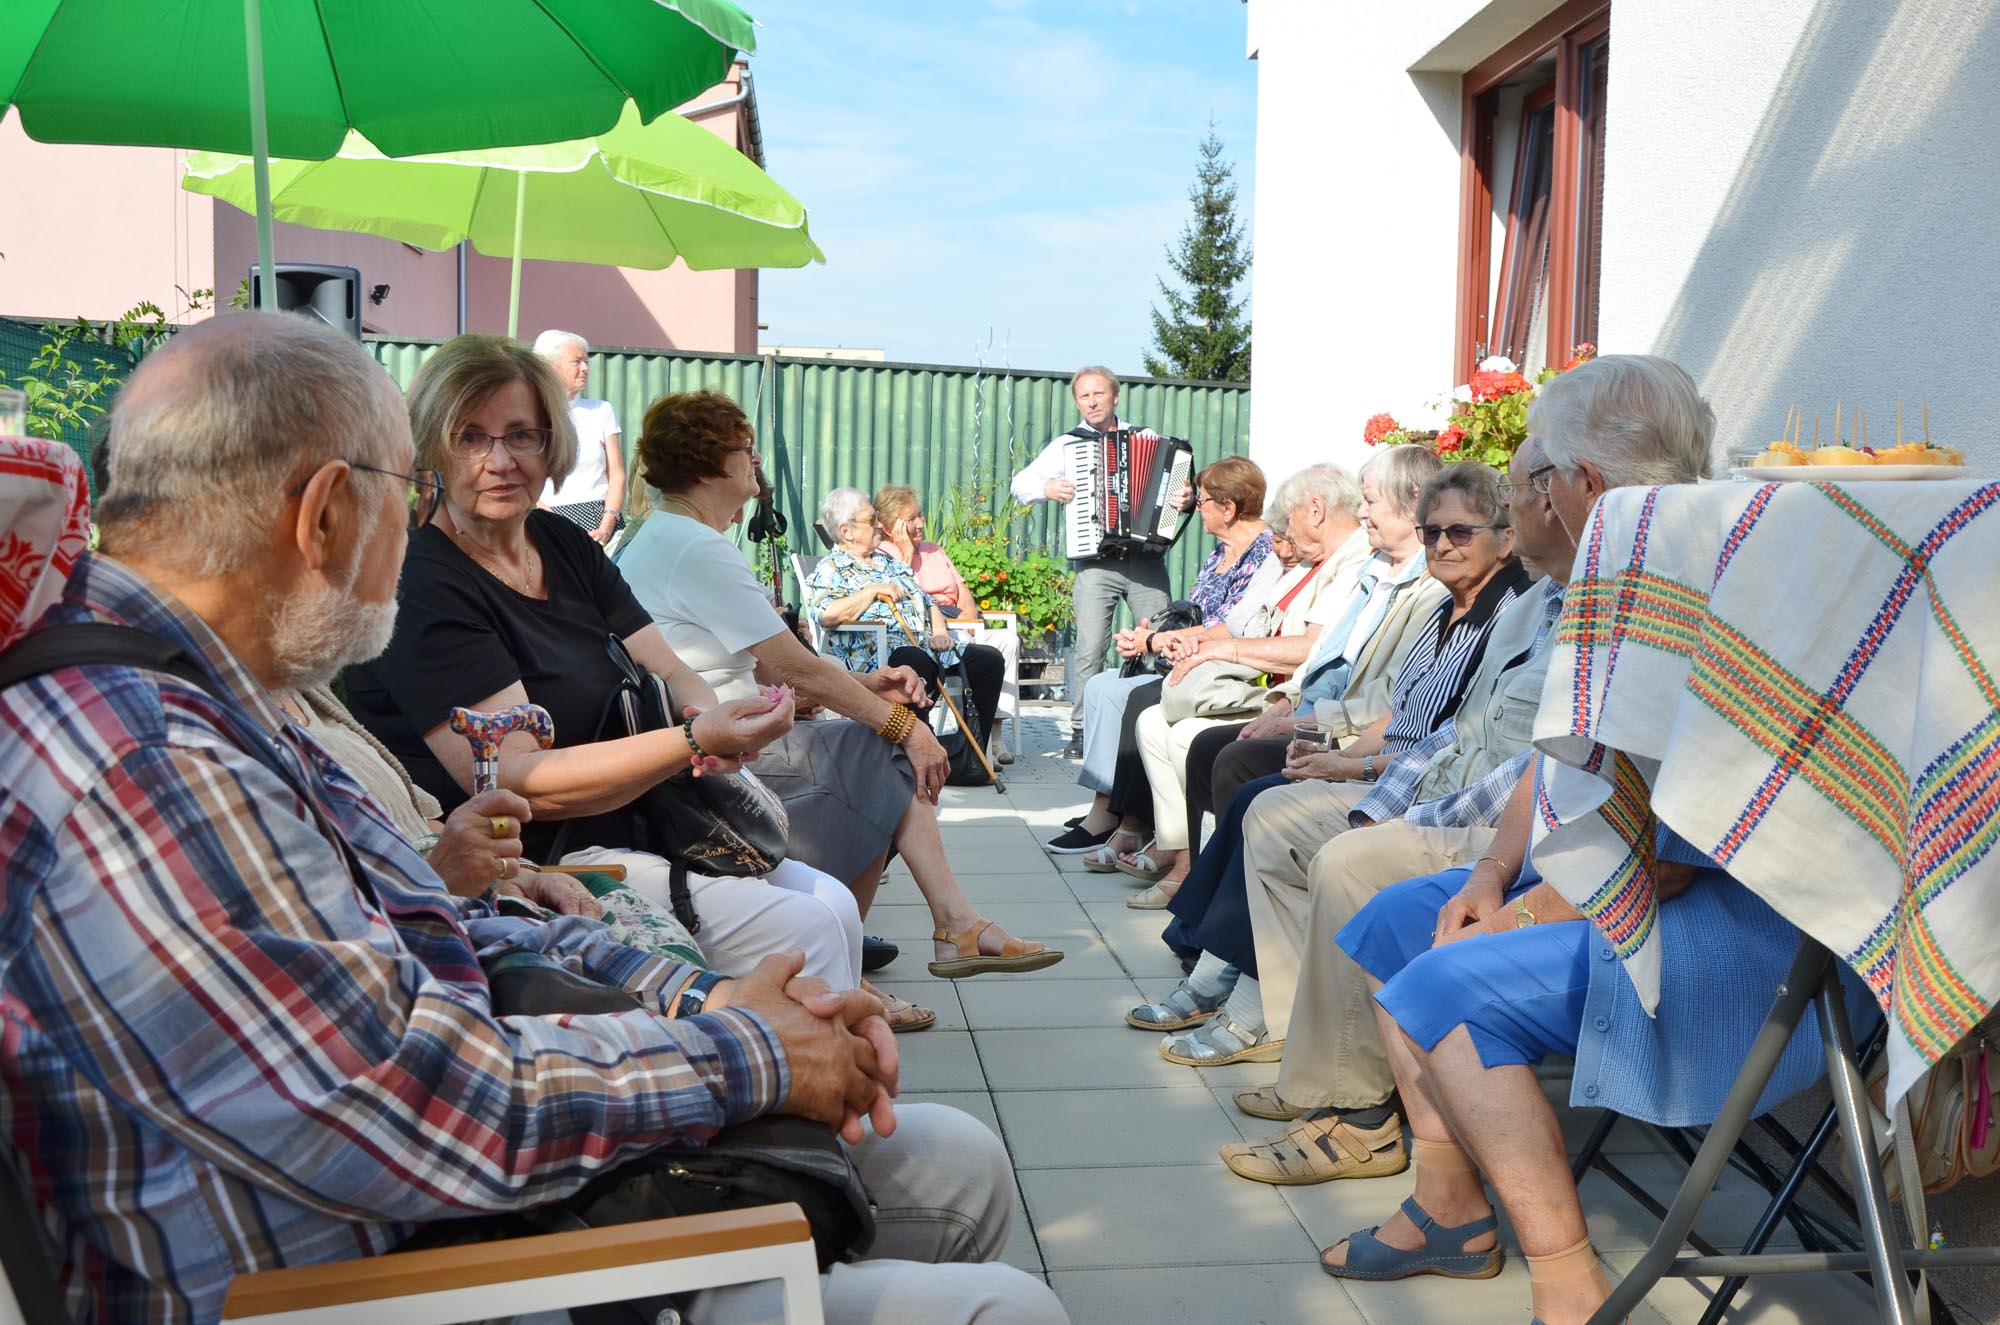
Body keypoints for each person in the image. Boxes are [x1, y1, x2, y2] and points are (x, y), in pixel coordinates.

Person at [0, 316, 1064, 1325]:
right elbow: (403, 1107)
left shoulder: (218, 694)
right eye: (410, 482)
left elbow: (443, 917)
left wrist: (705, 994)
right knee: (998, 1303)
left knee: (953, 1158)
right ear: (326, 510)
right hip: (394, 1275)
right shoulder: (150, 760)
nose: (419, 518)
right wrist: (750, 1052)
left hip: (445, 1204)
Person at [1317, 356, 1873, 1325]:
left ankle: (1567, 1286)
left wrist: (1521, 905)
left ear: (1581, 488)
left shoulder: (1702, 596)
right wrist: (1492, 871)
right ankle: (1449, 1206)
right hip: (1637, 890)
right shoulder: (1613, 586)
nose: (1525, 497)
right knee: (1393, 920)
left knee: (1442, 980)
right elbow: (1561, 759)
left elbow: (1677, 849)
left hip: (1741, 936)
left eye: (1534, 477)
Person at [344, 335, 864, 989]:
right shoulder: (422, 580)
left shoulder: (561, 542)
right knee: (806, 927)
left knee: (835, 905)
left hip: (646, 817)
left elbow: (670, 670)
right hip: (537, 860)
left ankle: (828, 1079)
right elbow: (521, 781)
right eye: (471, 437)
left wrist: (712, 721)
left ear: (553, 443)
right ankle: (798, 1081)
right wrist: (693, 739)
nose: (499, 460)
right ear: (433, 448)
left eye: (522, 435)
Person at [614, 390, 1061, 1009]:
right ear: (713, 464)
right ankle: (873, 963)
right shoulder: (695, 546)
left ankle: (942, 928)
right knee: (886, 753)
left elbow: (772, 664)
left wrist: (868, 685)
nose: (756, 462)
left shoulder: (663, 536)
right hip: (716, 762)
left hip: (723, 740)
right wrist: (904, 723)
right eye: (746, 450)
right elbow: (795, 667)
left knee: (876, 746)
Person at [1135, 463, 1531, 1065]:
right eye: (1432, 533)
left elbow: (1453, 743)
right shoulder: (1441, 609)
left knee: (1260, 794)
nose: (1442, 546)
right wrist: (1335, 752)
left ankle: (1228, 979)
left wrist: (1353, 766)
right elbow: (1399, 710)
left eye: (1460, 533)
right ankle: (1223, 973)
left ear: (1505, 538)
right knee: (1250, 780)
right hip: (1395, 762)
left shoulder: (1506, 612)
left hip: (1434, 794)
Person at [1112, 463, 1375, 902]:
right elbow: (1240, 627)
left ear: (1315, 510)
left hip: (1300, 703)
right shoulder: (1305, 565)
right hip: (1283, 695)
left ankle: (1196, 874)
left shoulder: (1353, 565)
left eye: (1287, 525)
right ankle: (1178, 853)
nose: (1283, 541)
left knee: (1196, 743)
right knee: (1153, 721)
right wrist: (1177, 642)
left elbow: (1309, 653)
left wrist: (1218, 654)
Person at [1183, 446, 1445, 828]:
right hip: (1319, 715)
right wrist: (1285, 703)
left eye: (1370, 501)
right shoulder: (1375, 567)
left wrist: (1308, 725)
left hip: (1349, 731)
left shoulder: (1428, 585)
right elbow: (1323, 653)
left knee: (1235, 762)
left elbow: (1391, 698)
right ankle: (1190, 869)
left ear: (1413, 503)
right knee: (1208, 749)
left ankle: (1225, 880)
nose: (1361, 512)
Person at [1042, 456, 1273, 859]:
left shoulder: (1266, 552)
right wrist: (1153, 636)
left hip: (1219, 667)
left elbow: (1232, 626)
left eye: (1201, 501)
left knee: (1133, 698)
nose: (1195, 507)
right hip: (1189, 654)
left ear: (1229, 508)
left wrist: (1155, 641)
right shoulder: (1221, 552)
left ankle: (1127, 821)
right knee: (1101, 684)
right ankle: (1107, 809)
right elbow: (1201, 614)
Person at [1009, 364, 1192, 756]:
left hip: (1145, 559)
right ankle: (1083, 729)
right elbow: (1019, 484)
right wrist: (1047, 486)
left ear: (1115, 397)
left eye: (1098, 394)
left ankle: (1159, 721)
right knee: (1090, 648)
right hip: (1095, 562)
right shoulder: (1066, 445)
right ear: (1077, 401)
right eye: (1084, 396)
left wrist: (1184, 498)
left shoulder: (1146, 438)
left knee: (1162, 639)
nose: (1091, 402)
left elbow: (1177, 488)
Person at [806, 486, 1009, 756]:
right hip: (875, 656)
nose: (879, 524)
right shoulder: (831, 568)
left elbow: (928, 602)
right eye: (871, 520)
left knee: (988, 661)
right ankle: (920, 749)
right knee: (913, 661)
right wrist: (871, 591)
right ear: (847, 531)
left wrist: (939, 631)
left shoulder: (891, 564)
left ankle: (970, 757)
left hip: (924, 648)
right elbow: (826, 614)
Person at [875, 482, 1019, 763]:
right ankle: (969, 746)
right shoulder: (884, 556)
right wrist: (905, 552)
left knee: (1007, 641)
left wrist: (968, 622)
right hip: (929, 632)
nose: (920, 523)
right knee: (987, 653)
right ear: (891, 526)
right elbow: (909, 600)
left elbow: (962, 591)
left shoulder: (933, 549)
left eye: (920, 515)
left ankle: (992, 734)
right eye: (911, 519)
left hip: (961, 627)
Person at [532, 328, 625, 548]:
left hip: (602, 520)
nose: (585, 368)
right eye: (577, 361)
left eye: (586, 361)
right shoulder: (532, 415)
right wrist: (557, 525)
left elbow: (617, 474)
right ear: (551, 366)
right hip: (549, 520)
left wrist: (607, 524)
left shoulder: (601, 411)